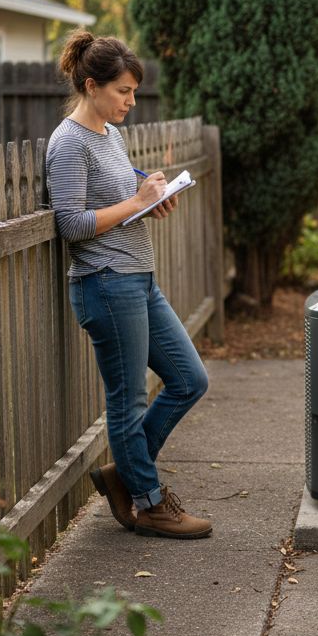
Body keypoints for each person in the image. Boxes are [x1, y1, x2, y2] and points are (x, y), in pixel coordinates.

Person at [47, 30, 212, 539]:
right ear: (92, 85)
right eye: (123, 91)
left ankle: (126, 473)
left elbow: (120, 196)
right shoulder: (68, 142)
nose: (131, 101)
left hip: (138, 279)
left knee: (189, 380)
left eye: (133, 91)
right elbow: (72, 223)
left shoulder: (110, 137)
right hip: (105, 284)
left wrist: (152, 191)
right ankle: (148, 502)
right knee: (127, 399)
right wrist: (137, 202)